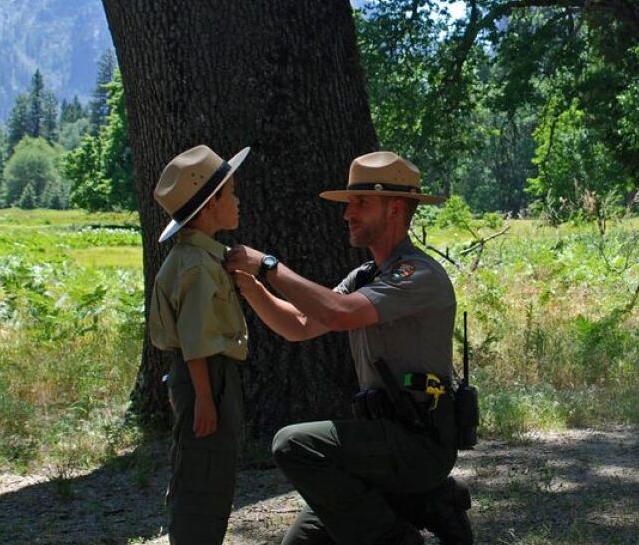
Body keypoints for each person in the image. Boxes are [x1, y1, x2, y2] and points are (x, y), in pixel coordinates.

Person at [224, 151, 472, 545]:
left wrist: (269, 265)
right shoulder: (367, 276)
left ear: (394, 210)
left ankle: (397, 536)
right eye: (349, 203)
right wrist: (251, 287)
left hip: (418, 444)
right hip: (379, 442)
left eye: (361, 203)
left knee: (293, 444)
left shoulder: (418, 274)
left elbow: (339, 313)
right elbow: (300, 324)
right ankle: (428, 502)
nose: (347, 214)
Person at [148, 144, 251, 545]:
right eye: (231, 193)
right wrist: (207, 399)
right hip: (206, 377)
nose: (238, 201)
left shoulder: (200, 257)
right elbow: (195, 340)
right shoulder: (197, 265)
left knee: (208, 470)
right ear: (210, 205)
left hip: (205, 376)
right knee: (205, 476)